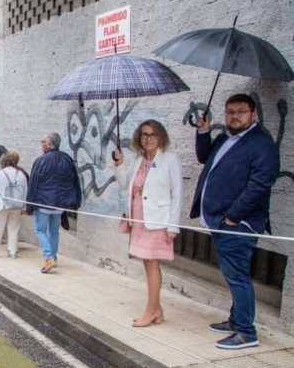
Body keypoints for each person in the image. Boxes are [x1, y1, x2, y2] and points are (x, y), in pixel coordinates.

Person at [191, 94, 280, 349]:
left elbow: (260, 185)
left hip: (237, 224)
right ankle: (234, 321)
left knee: (238, 276)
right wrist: (204, 132)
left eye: (241, 111)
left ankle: (245, 332)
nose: (235, 116)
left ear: (253, 114)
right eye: (230, 111)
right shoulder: (224, 138)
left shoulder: (261, 144)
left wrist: (232, 216)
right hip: (219, 220)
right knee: (234, 274)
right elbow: (203, 158)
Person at [114, 120, 183, 327]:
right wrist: (119, 164)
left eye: (153, 134)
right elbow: (125, 184)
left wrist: (173, 226)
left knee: (152, 264)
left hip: (157, 220)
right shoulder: (139, 159)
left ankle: (151, 310)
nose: (148, 138)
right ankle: (157, 309)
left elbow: (177, 194)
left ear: (161, 136)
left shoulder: (170, 160)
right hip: (138, 219)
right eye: (144, 134)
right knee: (147, 263)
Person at [26, 132, 81, 273]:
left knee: (40, 230)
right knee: (54, 231)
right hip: (59, 204)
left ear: (49, 144)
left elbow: (33, 183)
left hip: (43, 203)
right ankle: (54, 258)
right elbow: (74, 181)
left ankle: (49, 257)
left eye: (42, 141)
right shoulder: (67, 159)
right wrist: (73, 201)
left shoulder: (41, 161)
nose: (41, 144)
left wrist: (30, 205)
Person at [0, 151, 29, 259]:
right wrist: (24, 207)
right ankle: (12, 251)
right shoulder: (21, 175)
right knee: (14, 228)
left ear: (3, 160)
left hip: (1, 205)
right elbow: (25, 192)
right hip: (17, 205)